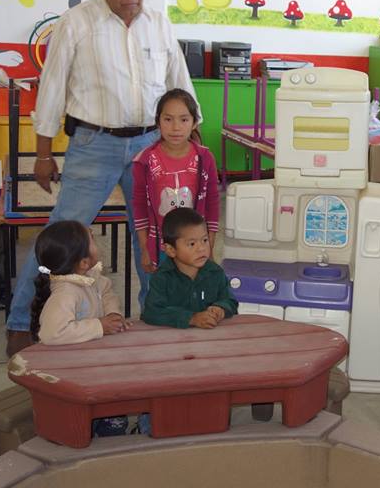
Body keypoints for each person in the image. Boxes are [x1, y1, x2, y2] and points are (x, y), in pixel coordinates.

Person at [5, 0, 198, 357]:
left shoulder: (159, 25)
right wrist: (42, 154)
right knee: (61, 235)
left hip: (150, 144)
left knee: (153, 235)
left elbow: (180, 85)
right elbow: (52, 90)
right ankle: (21, 320)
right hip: (93, 144)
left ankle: (157, 312)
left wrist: (190, 142)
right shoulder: (77, 23)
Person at [29, 220, 130, 437]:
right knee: (84, 415)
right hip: (68, 373)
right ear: (83, 262)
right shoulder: (66, 293)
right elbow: (52, 333)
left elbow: (107, 292)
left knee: (108, 393)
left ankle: (106, 426)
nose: (95, 237)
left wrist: (113, 314)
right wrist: (98, 325)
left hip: (89, 363)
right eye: (92, 237)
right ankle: (93, 436)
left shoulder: (89, 277)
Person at [132, 89, 219, 274]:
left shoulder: (205, 158)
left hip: (195, 247)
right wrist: (144, 248)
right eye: (168, 119)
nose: (176, 127)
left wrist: (208, 246)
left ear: (195, 122)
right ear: (158, 122)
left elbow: (213, 205)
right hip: (160, 247)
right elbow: (139, 208)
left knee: (192, 296)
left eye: (184, 119)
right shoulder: (144, 161)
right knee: (159, 297)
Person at [142, 207, 238, 329]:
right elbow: (152, 312)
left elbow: (230, 301)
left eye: (204, 240)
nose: (201, 248)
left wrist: (221, 308)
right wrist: (191, 318)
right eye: (192, 244)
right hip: (172, 342)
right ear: (171, 250)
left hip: (210, 340)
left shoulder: (215, 272)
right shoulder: (162, 277)